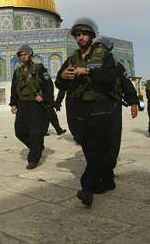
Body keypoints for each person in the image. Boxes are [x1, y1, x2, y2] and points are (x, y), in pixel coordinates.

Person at [56, 18, 117, 207]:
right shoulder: (72, 57)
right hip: (80, 108)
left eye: (84, 34)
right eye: (78, 35)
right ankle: (107, 180)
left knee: (97, 147)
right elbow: (59, 83)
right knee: (89, 147)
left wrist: (88, 71)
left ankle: (87, 188)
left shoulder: (104, 55)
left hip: (100, 107)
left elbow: (110, 78)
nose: (81, 38)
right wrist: (63, 76)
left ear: (91, 36)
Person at [93, 36, 139, 189]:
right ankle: (101, 172)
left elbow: (126, 84)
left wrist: (133, 101)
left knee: (112, 139)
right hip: (94, 106)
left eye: (101, 48)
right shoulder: (89, 65)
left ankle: (107, 171)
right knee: (97, 141)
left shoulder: (116, 65)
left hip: (112, 106)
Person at [10, 45, 52, 170]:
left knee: (34, 132)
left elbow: (48, 85)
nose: (23, 57)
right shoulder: (17, 72)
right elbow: (14, 88)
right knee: (19, 131)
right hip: (22, 104)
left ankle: (33, 158)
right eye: (21, 55)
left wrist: (43, 97)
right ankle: (37, 146)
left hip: (35, 105)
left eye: (25, 54)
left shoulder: (39, 69)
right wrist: (13, 103)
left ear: (30, 55)